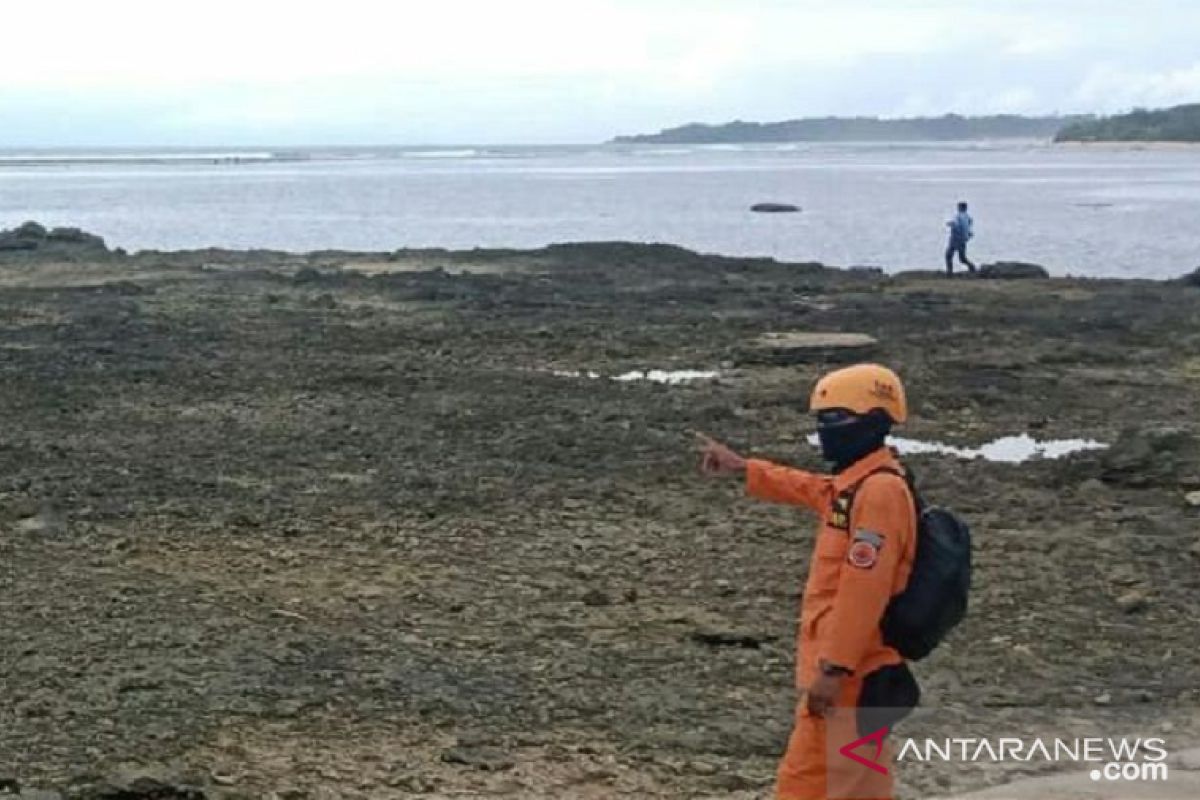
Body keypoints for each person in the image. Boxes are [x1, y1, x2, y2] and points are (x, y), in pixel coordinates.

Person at [698, 363, 917, 800]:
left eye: (835, 419)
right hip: (853, 676)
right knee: (854, 787)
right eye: (821, 420)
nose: (825, 430)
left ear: (875, 419)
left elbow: (864, 591)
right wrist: (745, 468)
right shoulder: (855, 486)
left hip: (851, 679)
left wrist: (834, 670)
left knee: (809, 786)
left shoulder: (878, 493)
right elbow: (813, 489)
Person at [944, 201, 976, 275]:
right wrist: (968, 235)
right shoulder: (968, 217)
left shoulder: (958, 216)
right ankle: (972, 267)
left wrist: (949, 224)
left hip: (955, 239)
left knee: (948, 255)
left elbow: (956, 224)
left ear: (960, 208)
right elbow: (969, 228)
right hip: (963, 239)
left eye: (958, 207)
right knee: (962, 258)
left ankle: (949, 272)